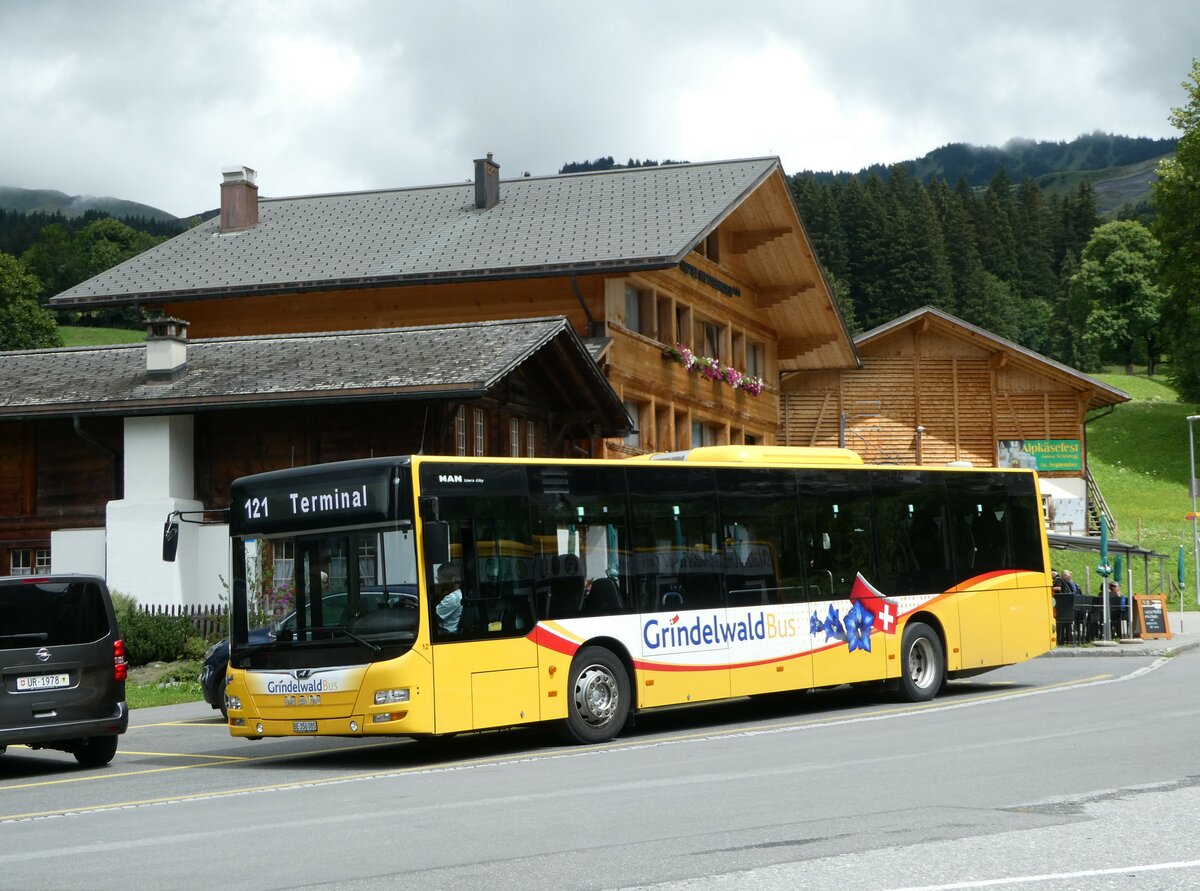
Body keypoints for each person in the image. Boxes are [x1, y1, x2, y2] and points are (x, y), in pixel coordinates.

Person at [435, 563, 463, 634]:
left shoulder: (453, 597)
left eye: (439, 578)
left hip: (445, 632)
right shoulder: (456, 593)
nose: (438, 581)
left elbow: (433, 617)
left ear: (448, 579)